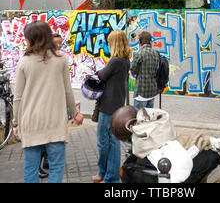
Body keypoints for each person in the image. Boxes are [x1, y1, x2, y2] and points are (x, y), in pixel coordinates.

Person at [13, 20, 84, 183]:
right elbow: (67, 90)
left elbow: (18, 97)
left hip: (31, 122)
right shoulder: (61, 59)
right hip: (55, 123)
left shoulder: (24, 62)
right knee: (57, 166)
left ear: (31, 39)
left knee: (30, 168)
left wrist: (16, 123)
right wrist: (75, 113)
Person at [92, 30, 130, 184]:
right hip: (117, 104)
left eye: (109, 42)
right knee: (112, 141)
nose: (108, 45)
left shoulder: (115, 61)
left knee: (104, 141)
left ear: (114, 43)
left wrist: (99, 71)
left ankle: (108, 176)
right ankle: (106, 174)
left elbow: (101, 76)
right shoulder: (125, 60)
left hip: (108, 106)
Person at [39, 32, 63, 179]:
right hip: (43, 108)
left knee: (50, 138)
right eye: (56, 43)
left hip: (55, 106)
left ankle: (46, 161)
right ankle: (39, 166)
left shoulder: (60, 59)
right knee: (42, 140)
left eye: (60, 43)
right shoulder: (44, 60)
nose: (59, 46)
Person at [130, 31, 160, 110]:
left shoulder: (139, 53)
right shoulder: (156, 53)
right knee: (148, 119)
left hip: (141, 93)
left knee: (139, 118)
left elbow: (132, 71)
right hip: (152, 92)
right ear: (150, 41)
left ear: (140, 42)